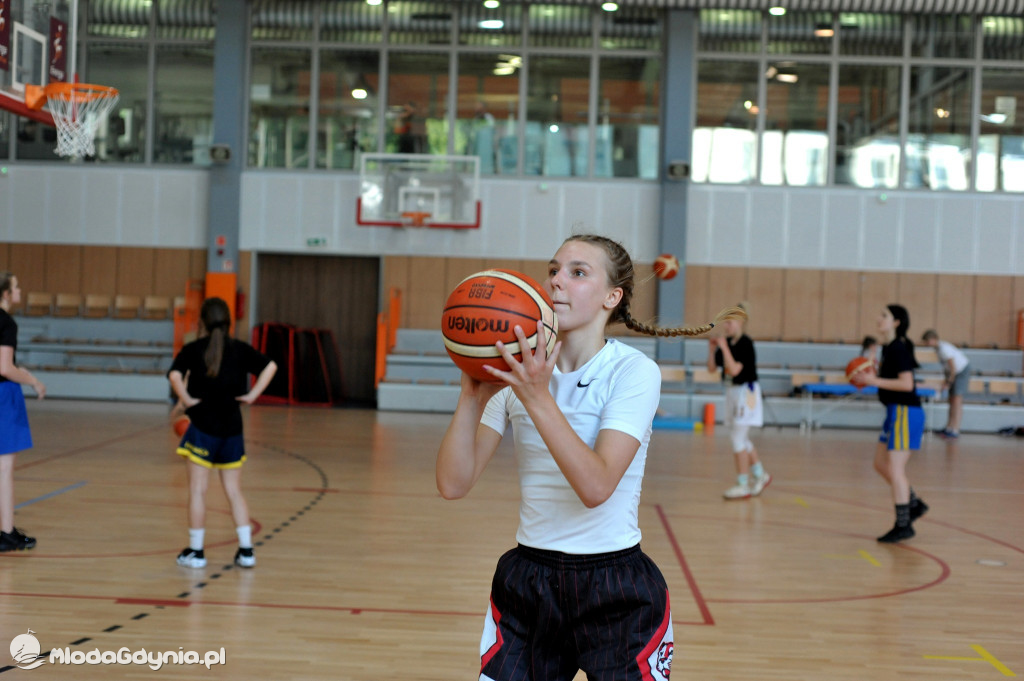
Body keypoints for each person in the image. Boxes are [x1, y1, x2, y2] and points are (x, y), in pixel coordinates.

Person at [437, 234, 743, 681]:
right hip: (529, 580)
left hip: (615, 585)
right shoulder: (516, 379)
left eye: (578, 273)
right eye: (554, 269)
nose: (557, 281)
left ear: (611, 297)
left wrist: (537, 395)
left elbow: (597, 486)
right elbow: (453, 484)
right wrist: (471, 392)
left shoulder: (631, 372)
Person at [167, 297, 277, 569]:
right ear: (230, 322)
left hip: (203, 429)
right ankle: (247, 551)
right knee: (234, 492)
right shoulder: (239, 349)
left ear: (201, 323)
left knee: (198, 491)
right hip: (232, 431)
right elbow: (270, 366)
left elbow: (174, 376)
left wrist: (186, 399)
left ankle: (196, 553)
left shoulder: (194, 349)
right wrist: (252, 395)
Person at [859, 305, 928, 543]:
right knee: (880, 464)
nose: (878, 318)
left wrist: (874, 379)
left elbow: (907, 384)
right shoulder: (889, 348)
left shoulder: (898, 347)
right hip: (894, 412)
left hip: (905, 412)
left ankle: (903, 524)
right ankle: (914, 503)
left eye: (884, 316)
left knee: (896, 470)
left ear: (896, 322)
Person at [0, 272, 46, 553]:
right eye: (16, 287)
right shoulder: (6, 322)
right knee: (5, 468)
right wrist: (33, 381)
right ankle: (5, 532)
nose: (19, 291)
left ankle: (7, 528)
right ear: (5, 293)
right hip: (3, 396)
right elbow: (4, 367)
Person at [706, 302, 771, 500]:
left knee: (737, 439)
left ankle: (743, 483)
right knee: (742, 438)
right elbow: (711, 368)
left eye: (731, 321)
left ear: (741, 321)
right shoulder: (726, 343)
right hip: (732, 392)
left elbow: (735, 370)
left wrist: (724, 348)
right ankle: (760, 475)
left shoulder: (746, 344)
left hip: (746, 393)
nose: (727, 326)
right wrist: (711, 350)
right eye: (726, 322)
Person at [921, 329, 970, 439]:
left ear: (933, 339)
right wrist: (946, 381)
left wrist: (948, 383)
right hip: (954, 373)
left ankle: (955, 429)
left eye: (927, 341)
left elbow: (952, 368)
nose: (926, 344)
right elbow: (946, 368)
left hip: (961, 371)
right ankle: (949, 427)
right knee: (951, 400)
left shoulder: (944, 349)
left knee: (957, 400)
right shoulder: (938, 349)